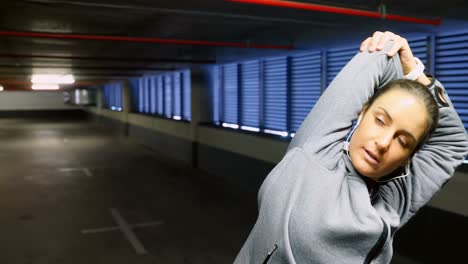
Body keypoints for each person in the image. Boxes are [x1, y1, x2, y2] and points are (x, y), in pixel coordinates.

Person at [233, 31, 468, 264]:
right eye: (380, 121)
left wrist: (418, 76)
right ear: (362, 111)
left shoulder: (395, 198)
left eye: (403, 141)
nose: (384, 143)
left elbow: (454, 142)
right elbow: (379, 57)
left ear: (408, 157)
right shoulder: (315, 152)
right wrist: (402, 61)